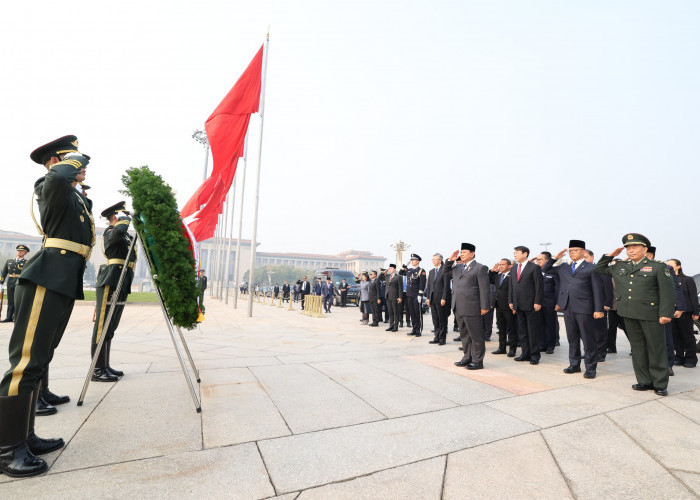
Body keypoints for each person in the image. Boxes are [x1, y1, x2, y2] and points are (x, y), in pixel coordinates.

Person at [0, 135, 93, 477]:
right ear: (57, 161)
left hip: (61, 279)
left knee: (40, 359)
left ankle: (24, 436)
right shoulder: (50, 183)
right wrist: (80, 157)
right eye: (73, 161)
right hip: (46, 278)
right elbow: (55, 177)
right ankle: (7, 449)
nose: (81, 167)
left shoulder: (72, 194)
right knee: (26, 362)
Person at [595, 233, 675, 396]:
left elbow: (667, 292)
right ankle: (644, 380)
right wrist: (610, 255)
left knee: (655, 348)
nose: (630, 250)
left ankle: (659, 383)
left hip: (651, 314)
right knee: (638, 348)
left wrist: (666, 313)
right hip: (629, 314)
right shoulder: (620, 266)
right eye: (628, 248)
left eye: (634, 247)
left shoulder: (657, 267)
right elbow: (599, 268)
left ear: (644, 249)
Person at [543, 241, 604, 378]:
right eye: (570, 250)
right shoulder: (564, 267)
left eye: (575, 250)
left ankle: (590, 368)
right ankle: (574, 364)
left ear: (583, 252)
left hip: (585, 308)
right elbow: (545, 269)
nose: (572, 252)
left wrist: (598, 309)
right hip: (568, 307)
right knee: (572, 338)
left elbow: (597, 290)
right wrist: (554, 257)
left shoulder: (591, 268)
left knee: (588, 340)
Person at [91, 202, 136, 383]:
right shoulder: (111, 232)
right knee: (102, 326)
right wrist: (125, 219)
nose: (128, 219)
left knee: (111, 326)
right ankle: (97, 369)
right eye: (123, 216)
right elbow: (119, 231)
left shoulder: (124, 236)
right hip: (110, 280)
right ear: (116, 217)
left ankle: (105, 365)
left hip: (122, 280)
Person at [443, 244, 490, 370]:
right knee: (464, 335)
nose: (461, 254)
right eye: (461, 252)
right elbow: (445, 272)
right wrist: (450, 260)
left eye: (464, 252)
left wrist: (484, 306)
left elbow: (484, 289)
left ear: (472, 254)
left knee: (476, 335)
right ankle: (467, 357)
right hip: (458, 306)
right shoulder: (457, 267)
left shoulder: (480, 268)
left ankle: (478, 361)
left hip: (473, 306)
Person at [508, 246, 543, 364]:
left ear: (525, 254)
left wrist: (537, 301)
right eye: (514, 253)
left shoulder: (534, 267)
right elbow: (512, 286)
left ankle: (534, 355)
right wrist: (511, 301)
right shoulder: (513, 269)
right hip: (518, 305)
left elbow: (539, 286)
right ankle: (525, 353)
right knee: (522, 331)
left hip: (531, 304)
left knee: (532, 331)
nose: (515, 255)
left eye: (517, 253)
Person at [666, 259, 699, 368]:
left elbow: (693, 296)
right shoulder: (666, 280)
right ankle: (679, 356)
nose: (668, 266)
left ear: (678, 266)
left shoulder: (687, 280)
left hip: (685, 311)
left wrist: (695, 312)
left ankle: (691, 358)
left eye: (670, 264)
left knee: (687, 335)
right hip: (671, 311)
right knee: (675, 335)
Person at [489, 259, 517, 356]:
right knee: (501, 329)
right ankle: (502, 348)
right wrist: (492, 271)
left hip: (509, 306)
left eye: (503, 264)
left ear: (509, 266)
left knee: (512, 329)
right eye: (500, 264)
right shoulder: (499, 275)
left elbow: (515, 291)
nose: (500, 266)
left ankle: (512, 349)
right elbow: (490, 280)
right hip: (499, 306)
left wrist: (514, 304)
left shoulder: (513, 276)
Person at [534, 252, 560, 355]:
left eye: (541, 259)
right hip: (537, 303)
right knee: (540, 325)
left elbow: (558, 288)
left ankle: (550, 345)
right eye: (537, 260)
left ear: (547, 260)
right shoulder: (535, 271)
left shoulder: (554, 272)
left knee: (550, 325)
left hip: (550, 302)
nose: (538, 261)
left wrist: (558, 302)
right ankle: (542, 344)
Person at [425, 253, 451, 345]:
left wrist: (444, 298)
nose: (433, 261)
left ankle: (442, 338)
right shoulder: (431, 271)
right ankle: (436, 336)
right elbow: (429, 286)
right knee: (435, 319)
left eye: (435, 259)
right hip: (432, 299)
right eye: (432, 259)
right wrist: (428, 298)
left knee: (442, 319)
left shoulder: (445, 270)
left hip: (441, 299)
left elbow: (446, 286)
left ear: (440, 260)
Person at [1, 244, 30, 323]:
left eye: (21, 251)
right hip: (10, 282)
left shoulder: (26, 262)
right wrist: (1, 283)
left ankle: (16, 318)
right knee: (10, 300)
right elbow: (4, 273)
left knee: (18, 301)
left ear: (25, 253)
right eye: (18, 250)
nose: (19, 252)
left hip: (20, 283)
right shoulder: (9, 261)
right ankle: (9, 317)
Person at [400, 254, 427, 336]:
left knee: (417, 313)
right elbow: (401, 272)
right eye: (411, 260)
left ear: (418, 261)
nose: (412, 261)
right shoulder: (409, 270)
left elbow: (422, 284)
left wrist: (420, 294)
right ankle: (414, 329)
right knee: (412, 312)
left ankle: (418, 330)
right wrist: (405, 265)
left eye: (413, 260)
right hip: (409, 295)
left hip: (416, 295)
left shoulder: (421, 270)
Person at [382, 264, 403, 332]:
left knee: (395, 312)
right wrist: (384, 272)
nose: (390, 269)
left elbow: (400, 287)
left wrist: (400, 297)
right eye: (389, 268)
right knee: (390, 312)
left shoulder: (398, 277)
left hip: (395, 296)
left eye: (391, 268)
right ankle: (391, 326)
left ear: (394, 269)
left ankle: (395, 327)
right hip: (388, 296)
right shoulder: (387, 276)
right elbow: (379, 278)